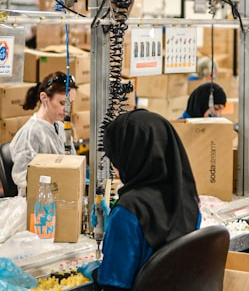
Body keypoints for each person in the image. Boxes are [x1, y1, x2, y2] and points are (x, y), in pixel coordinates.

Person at [82, 109, 200, 289]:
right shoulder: (187, 200)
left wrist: (95, 272)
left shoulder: (129, 211)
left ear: (131, 157)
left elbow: (114, 283)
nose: (114, 167)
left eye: (116, 159)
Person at [10, 71, 78, 196]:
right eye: (63, 103)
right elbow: (23, 177)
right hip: (39, 204)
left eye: (70, 104)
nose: (67, 110)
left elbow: (73, 164)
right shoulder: (31, 133)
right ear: (44, 98)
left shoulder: (62, 128)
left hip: (61, 196)